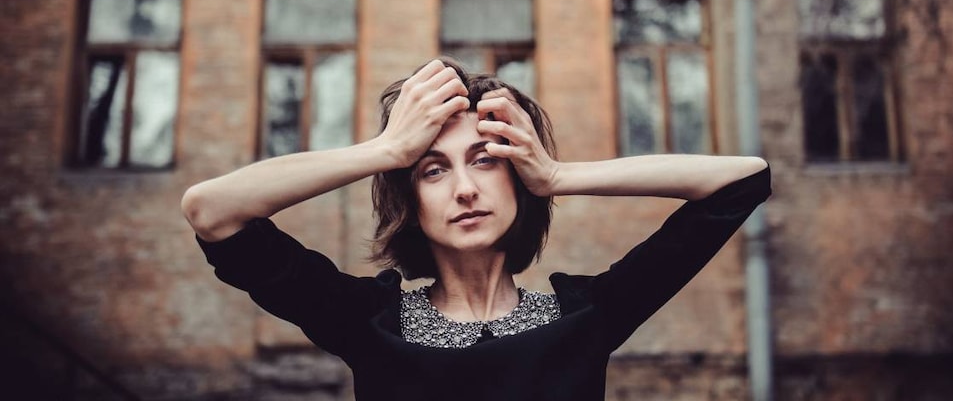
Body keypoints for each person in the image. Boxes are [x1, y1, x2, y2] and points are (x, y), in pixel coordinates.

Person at [183, 57, 771, 401]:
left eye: (486, 160)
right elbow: (212, 209)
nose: (465, 188)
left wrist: (558, 172)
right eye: (433, 170)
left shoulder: (589, 317)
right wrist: (387, 149)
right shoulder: (366, 322)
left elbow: (742, 180)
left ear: (517, 178)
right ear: (411, 203)